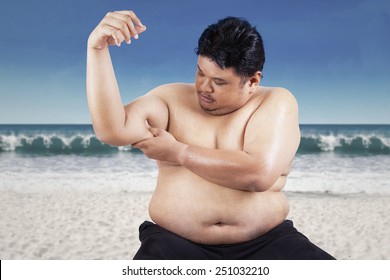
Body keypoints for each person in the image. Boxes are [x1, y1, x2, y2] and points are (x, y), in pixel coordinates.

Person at [86, 10, 335, 260]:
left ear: (252, 81)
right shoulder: (170, 98)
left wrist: (178, 152)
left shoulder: (275, 102)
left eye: (219, 81)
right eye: (200, 73)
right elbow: (112, 131)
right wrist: (97, 50)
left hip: (267, 243)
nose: (204, 87)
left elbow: (258, 174)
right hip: (173, 242)